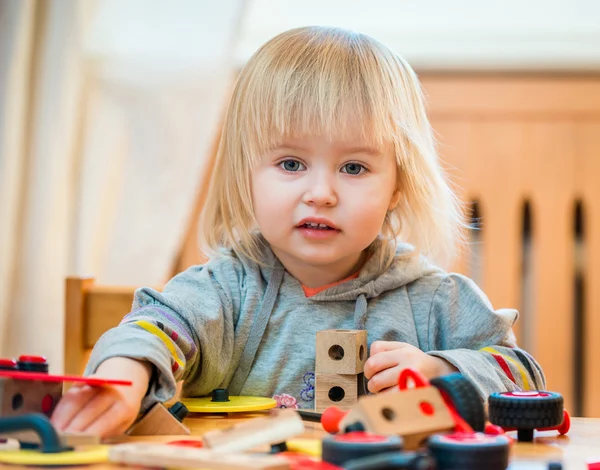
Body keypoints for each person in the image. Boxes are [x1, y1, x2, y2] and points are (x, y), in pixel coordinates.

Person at [52, 26, 545, 437]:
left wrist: (443, 371)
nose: (322, 193)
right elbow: (153, 329)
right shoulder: (224, 291)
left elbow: (523, 375)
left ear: (398, 185)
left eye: (354, 168)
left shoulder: (436, 300)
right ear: (247, 173)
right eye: (291, 163)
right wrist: (126, 372)